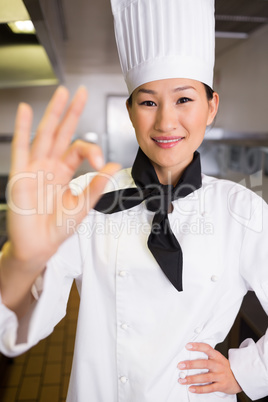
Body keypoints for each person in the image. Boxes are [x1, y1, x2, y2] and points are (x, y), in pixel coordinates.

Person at [0, 0, 267, 401]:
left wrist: (245, 372)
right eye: (148, 102)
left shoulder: (241, 210)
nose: (165, 122)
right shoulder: (89, 197)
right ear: (130, 111)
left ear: (211, 107)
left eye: (184, 99)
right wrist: (20, 261)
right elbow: (15, 333)